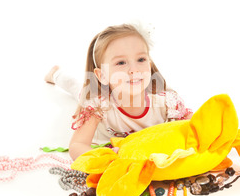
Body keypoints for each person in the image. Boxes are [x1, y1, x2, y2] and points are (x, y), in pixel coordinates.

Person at [45, 23, 193, 160]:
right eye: (121, 62)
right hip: (99, 95)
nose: (134, 70)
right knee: (78, 88)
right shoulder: (98, 105)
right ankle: (56, 74)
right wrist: (105, 157)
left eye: (141, 59)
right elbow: (77, 145)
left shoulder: (167, 102)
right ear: (102, 75)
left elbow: (194, 125)